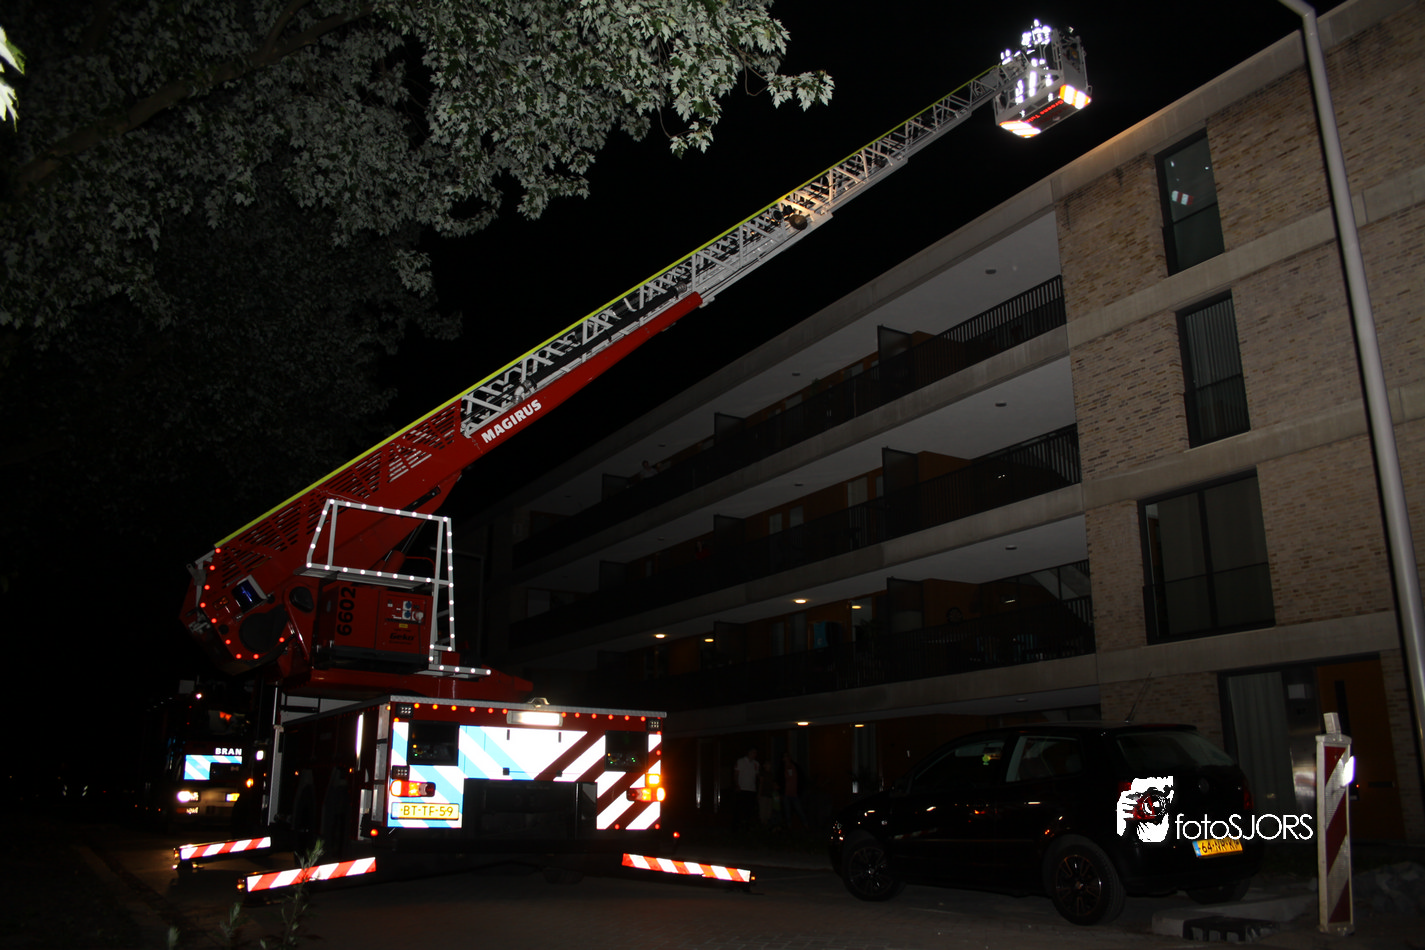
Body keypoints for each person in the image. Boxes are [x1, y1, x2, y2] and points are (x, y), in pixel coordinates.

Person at [781, 753, 810, 831]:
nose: (786, 759)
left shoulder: (796, 767)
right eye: (784, 757)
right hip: (786, 793)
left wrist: (801, 788)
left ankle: (806, 825)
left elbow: (802, 778)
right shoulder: (782, 768)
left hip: (795, 793)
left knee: (799, 809)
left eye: (787, 757)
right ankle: (789, 827)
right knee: (787, 811)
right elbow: (780, 780)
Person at [733, 747, 759, 830]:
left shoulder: (756, 764)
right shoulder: (740, 761)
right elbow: (736, 773)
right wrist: (737, 784)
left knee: (749, 808)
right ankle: (737, 825)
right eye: (753, 752)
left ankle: (747, 825)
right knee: (740, 807)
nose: (754, 755)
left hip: (751, 789)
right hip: (742, 788)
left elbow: (756, 776)